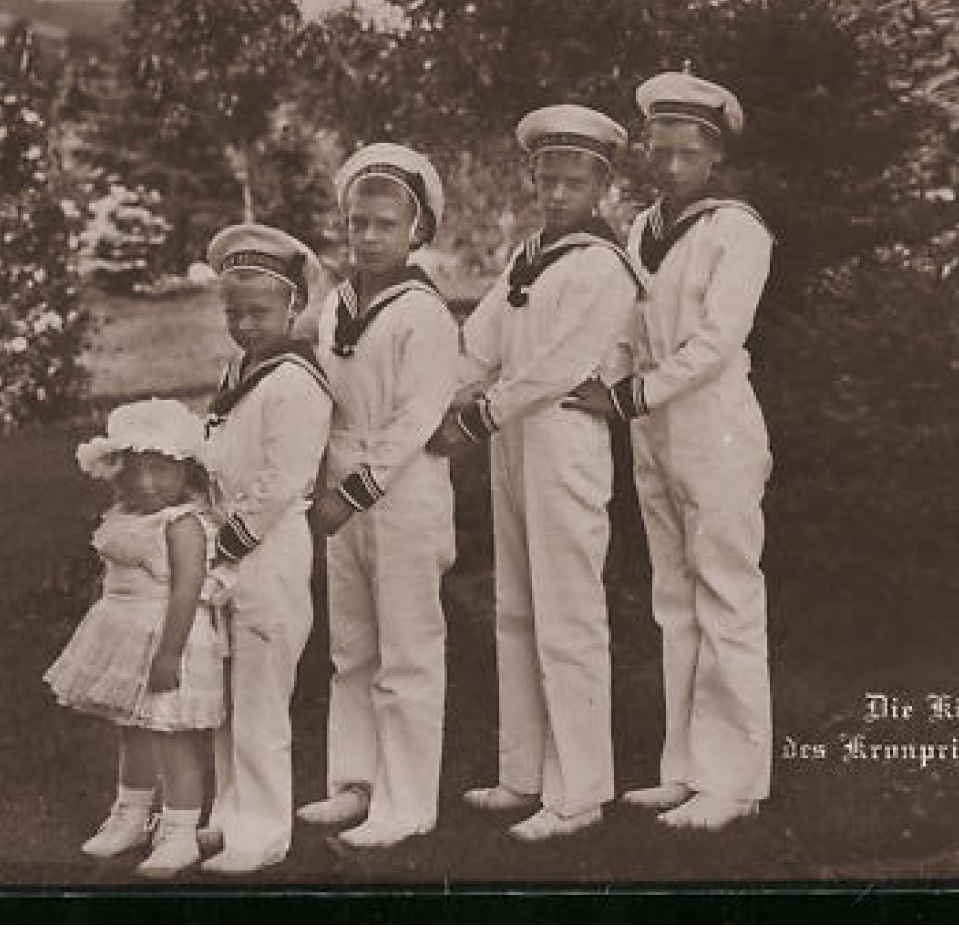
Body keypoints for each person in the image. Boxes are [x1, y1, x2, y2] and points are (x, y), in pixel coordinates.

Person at [564, 72, 774, 831]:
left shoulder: (737, 230)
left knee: (724, 592)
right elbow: (626, 326)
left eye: (687, 153)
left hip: (713, 428)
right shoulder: (640, 228)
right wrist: (599, 381)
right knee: (673, 597)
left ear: (714, 153)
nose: (672, 166)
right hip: (653, 432)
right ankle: (683, 769)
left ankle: (736, 780)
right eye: (660, 151)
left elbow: (717, 341)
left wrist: (629, 396)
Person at [428, 105, 643, 842]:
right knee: (515, 604)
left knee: (568, 612)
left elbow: (557, 365)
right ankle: (522, 771)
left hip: (563, 440)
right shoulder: (529, 253)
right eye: (546, 177)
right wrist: (429, 396)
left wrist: (473, 414)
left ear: (602, 183)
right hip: (513, 439)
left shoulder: (602, 264)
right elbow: (480, 339)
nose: (556, 192)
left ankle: (580, 791)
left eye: (573, 179)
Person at [297, 143, 459, 851]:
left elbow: (416, 420)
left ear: (416, 230)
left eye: (384, 224)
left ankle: (406, 800)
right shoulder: (336, 303)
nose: (366, 236)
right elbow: (326, 397)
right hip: (340, 487)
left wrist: (349, 493)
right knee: (352, 647)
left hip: (397, 495)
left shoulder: (424, 312)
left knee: (406, 651)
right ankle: (354, 781)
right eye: (357, 221)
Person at [43, 397, 233, 878]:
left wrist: (170, 653)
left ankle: (180, 831)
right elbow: (109, 574)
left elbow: (188, 591)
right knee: (133, 730)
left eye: (160, 470)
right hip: (124, 634)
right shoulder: (123, 514)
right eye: (135, 470)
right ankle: (131, 813)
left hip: (169, 636)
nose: (146, 483)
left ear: (186, 471)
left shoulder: (183, 524)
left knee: (171, 736)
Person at [198, 222, 334, 875]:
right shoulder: (241, 370)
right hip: (230, 551)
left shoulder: (294, 380)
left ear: (292, 308)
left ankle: (262, 831)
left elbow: (283, 478)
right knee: (226, 695)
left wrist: (225, 540)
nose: (245, 324)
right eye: (233, 311)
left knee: (258, 699)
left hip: (267, 551)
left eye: (259, 311)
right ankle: (229, 809)